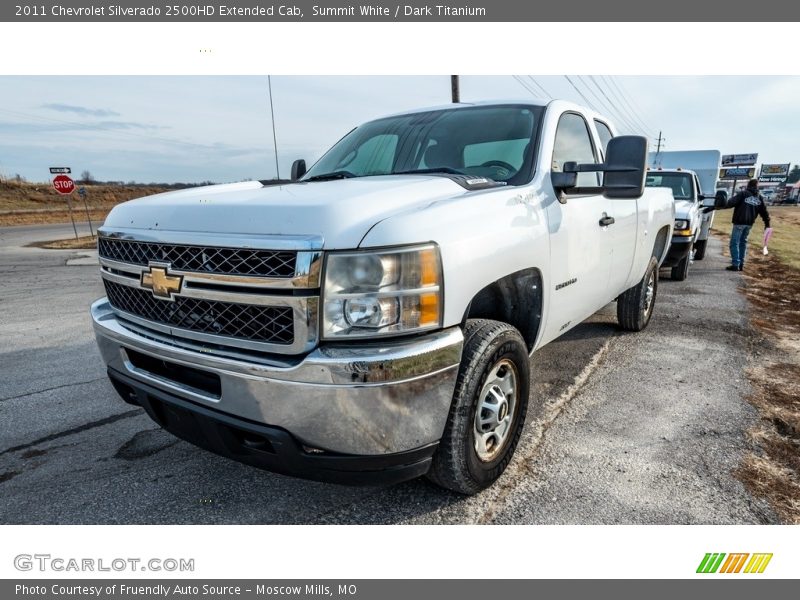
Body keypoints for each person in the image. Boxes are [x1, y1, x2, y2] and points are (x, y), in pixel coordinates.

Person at [714, 178, 771, 272]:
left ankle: (735, 264)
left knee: (734, 243)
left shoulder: (743, 194)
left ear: (748, 185)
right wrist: (767, 223)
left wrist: (717, 206)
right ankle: (741, 264)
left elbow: (730, 203)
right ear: (757, 186)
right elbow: (764, 212)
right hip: (749, 224)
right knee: (743, 243)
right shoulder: (759, 197)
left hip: (739, 223)